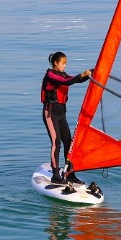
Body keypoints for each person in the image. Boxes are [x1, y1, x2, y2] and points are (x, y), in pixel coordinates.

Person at [41, 51, 92, 184]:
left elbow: (76, 80)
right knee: (56, 142)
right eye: (63, 63)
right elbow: (67, 82)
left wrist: (91, 73)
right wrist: (82, 74)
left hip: (61, 114)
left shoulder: (62, 74)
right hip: (50, 114)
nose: (65, 66)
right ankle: (56, 175)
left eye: (66, 63)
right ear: (55, 63)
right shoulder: (51, 75)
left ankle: (69, 174)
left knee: (68, 143)